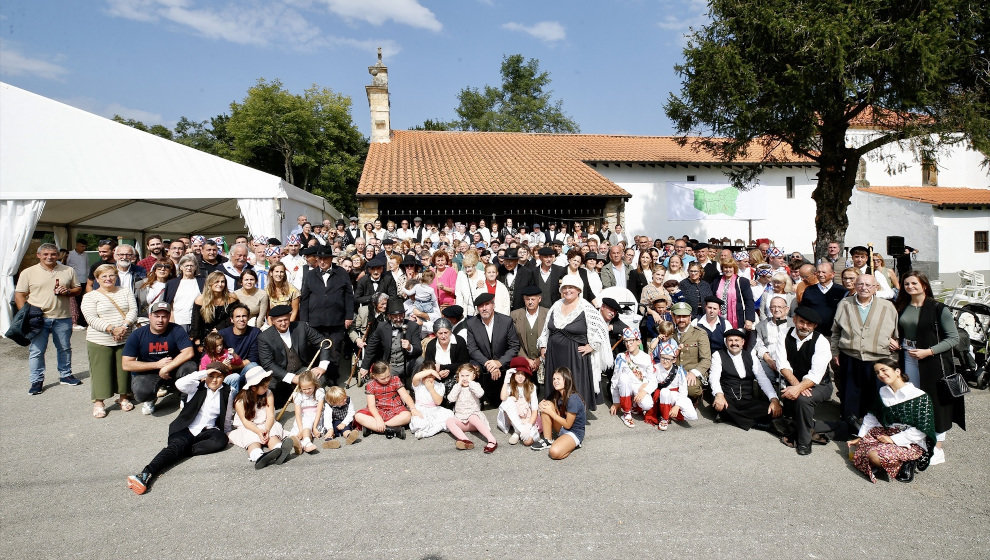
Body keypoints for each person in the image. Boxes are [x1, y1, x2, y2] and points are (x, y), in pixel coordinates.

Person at [891, 271, 963, 466]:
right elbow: (901, 330)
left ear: (924, 285)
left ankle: (938, 448)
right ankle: (920, 439)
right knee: (915, 400)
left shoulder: (939, 308)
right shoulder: (902, 306)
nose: (910, 287)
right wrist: (896, 341)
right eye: (906, 284)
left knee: (936, 404)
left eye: (914, 283)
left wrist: (929, 351)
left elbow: (953, 338)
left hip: (932, 362)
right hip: (908, 356)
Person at [126, 364, 234, 494]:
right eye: (211, 376)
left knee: (221, 439)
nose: (215, 380)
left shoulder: (229, 391)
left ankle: (180, 451)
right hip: (186, 428)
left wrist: (227, 431)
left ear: (224, 377)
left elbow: (227, 415)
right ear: (206, 376)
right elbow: (179, 383)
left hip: (207, 431)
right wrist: (203, 373)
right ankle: (145, 474)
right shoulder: (195, 387)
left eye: (219, 376)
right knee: (175, 447)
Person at [848, 358, 936, 483]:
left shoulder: (919, 396)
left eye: (884, 370)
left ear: (897, 371)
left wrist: (893, 440)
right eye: (877, 372)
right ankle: (889, 460)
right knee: (859, 449)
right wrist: (861, 436)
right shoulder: (883, 391)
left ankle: (907, 463)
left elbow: (922, 430)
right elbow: (872, 416)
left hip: (910, 441)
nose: (881, 375)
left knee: (873, 456)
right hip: (885, 433)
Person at [829, 273, 899, 431]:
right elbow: (836, 331)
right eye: (860, 284)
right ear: (855, 286)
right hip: (851, 356)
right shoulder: (845, 303)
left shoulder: (887, 307)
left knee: (877, 395)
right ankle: (851, 428)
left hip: (878, 358)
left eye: (868, 285)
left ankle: (877, 429)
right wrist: (835, 352)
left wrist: (893, 358)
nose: (864, 288)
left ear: (876, 288)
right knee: (851, 394)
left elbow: (895, 334)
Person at [15, 242, 83, 394]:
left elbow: (78, 289)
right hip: (38, 318)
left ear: (58, 255)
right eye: (45, 254)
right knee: (37, 351)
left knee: (64, 348)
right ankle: (36, 381)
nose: (49, 257)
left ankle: (65, 375)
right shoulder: (28, 272)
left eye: (53, 254)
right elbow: (19, 294)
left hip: (63, 317)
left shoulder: (68, 270)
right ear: (39, 255)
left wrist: (68, 291)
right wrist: (24, 314)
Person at [538, 274, 612, 410]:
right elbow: (545, 329)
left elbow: (601, 329)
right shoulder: (556, 305)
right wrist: (543, 345)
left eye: (571, 287)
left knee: (573, 387)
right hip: (554, 355)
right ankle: (555, 416)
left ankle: (573, 419)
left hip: (575, 357)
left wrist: (592, 346)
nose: (567, 290)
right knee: (556, 386)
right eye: (564, 287)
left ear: (579, 289)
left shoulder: (586, 307)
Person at [81, 263, 138, 418]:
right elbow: (91, 318)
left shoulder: (125, 291)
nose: (108, 278)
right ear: (97, 279)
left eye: (111, 275)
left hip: (125, 336)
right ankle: (99, 402)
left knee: (123, 370)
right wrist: (112, 328)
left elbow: (133, 310)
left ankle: (123, 397)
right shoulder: (90, 296)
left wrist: (124, 326)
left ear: (116, 277)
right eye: (104, 276)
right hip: (100, 339)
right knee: (101, 371)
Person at [775, 306, 834, 456]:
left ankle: (804, 442)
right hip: (796, 382)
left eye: (809, 324)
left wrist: (798, 389)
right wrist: (796, 386)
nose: (804, 327)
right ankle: (838, 428)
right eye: (801, 322)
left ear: (814, 326)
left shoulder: (821, 342)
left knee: (803, 400)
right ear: (794, 319)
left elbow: (816, 375)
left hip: (821, 384)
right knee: (792, 408)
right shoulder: (783, 333)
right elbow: (782, 364)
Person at [122, 302, 197, 414]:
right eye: (157, 316)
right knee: (141, 391)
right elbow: (126, 364)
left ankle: (185, 398)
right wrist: (157, 365)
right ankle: (150, 398)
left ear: (169, 317)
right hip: (149, 372)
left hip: (173, 369)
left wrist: (166, 368)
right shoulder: (137, 334)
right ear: (150, 316)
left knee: (190, 367)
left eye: (164, 316)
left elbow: (188, 352)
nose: (160, 320)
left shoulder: (176, 330)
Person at [299, 245, 355, 385]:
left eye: (325, 259)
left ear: (331, 259)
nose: (322, 262)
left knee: (335, 350)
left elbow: (349, 296)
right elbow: (304, 298)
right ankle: (319, 379)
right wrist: (304, 320)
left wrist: (349, 316)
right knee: (318, 350)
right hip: (315, 321)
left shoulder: (341, 272)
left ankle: (332, 378)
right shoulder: (311, 275)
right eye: (319, 259)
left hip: (336, 320)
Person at [257, 305, 332, 408]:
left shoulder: (302, 327)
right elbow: (267, 364)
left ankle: (315, 406)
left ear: (290, 317)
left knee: (319, 378)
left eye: (286, 320)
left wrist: (322, 366)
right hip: (278, 375)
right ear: (272, 320)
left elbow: (324, 343)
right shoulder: (264, 337)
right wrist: (292, 378)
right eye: (279, 321)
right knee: (270, 393)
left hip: (301, 369)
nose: (283, 323)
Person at [710, 329, 783, 430]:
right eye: (730, 340)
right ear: (726, 342)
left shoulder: (751, 356)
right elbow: (714, 378)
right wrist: (719, 395)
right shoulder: (718, 355)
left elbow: (763, 379)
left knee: (771, 409)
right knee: (722, 406)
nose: (734, 343)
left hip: (747, 401)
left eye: (737, 340)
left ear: (742, 342)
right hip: (727, 399)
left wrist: (774, 399)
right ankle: (764, 425)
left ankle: (732, 417)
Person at [228, 365, 295, 468]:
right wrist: (258, 432)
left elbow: (270, 416)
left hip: (266, 422)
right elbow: (245, 422)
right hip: (249, 426)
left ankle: (279, 449)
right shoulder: (240, 401)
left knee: (273, 432)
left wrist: (266, 430)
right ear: (254, 388)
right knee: (250, 437)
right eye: (264, 387)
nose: (266, 388)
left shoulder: (268, 394)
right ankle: (258, 455)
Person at [463, 292, 521, 408]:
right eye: (480, 306)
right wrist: (489, 364)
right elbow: (472, 349)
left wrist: (499, 363)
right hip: (482, 363)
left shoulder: (506, 321)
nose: (484, 308)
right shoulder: (471, 323)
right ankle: (477, 404)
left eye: (487, 304)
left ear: (493, 305)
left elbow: (514, 346)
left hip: (503, 362)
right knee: (472, 368)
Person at [358, 297, 423, 386]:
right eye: (395, 316)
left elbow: (418, 349)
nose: (399, 318)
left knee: (420, 360)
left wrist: (409, 347)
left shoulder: (412, 326)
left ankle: (414, 385)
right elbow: (371, 347)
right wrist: (364, 367)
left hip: (407, 363)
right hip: (390, 365)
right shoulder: (382, 327)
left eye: (401, 315)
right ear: (389, 316)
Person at [532, 367, 586, 459]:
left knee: (554, 452)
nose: (555, 381)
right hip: (563, 427)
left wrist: (551, 412)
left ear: (567, 380)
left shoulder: (573, 399)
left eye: (558, 379)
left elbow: (568, 425)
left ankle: (572, 445)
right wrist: (542, 404)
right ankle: (548, 440)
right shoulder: (558, 393)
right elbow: (546, 404)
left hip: (574, 433)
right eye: (554, 379)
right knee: (547, 405)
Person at [353, 361, 416, 439]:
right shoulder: (371, 385)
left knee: (407, 416)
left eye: (388, 376)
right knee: (358, 416)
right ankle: (393, 429)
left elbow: (405, 396)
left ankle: (375, 429)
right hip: (379, 410)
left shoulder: (395, 380)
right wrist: (378, 419)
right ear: (375, 376)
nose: (386, 379)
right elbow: (371, 406)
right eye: (383, 378)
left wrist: (413, 408)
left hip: (395, 408)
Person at [610, 328, 658, 428]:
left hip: (639, 387)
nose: (628, 344)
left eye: (631, 340)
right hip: (624, 387)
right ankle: (627, 412)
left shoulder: (647, 357)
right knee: (623, 377)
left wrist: (644, 391)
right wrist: (616, 402)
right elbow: (615, 379)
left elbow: (653, 380)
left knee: (648, 405)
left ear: (638, 341)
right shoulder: (621, 357)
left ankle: (635, 405)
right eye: (626, 341)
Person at [445, 364, 498, 452]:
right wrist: (458, 385)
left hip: (473, 422)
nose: (465, 378)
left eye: (467, 375)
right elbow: (451, 398)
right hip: (461, 419)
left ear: (473, 376)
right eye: (462, 376)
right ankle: (466, 441)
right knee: (449, 421)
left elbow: (480, 394)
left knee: (473, 417)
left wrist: (471, 383)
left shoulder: (475, 385)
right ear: (458, 376)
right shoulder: (457, 387)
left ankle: (492, 440)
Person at [670, 301, 712, 407]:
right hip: (674, 372)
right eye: (678, 316)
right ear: (673, 317)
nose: (681, 320)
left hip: (692, 372)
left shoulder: (700, 333)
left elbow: (706, 359)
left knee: (692, 389)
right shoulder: (670, 333)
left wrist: (694, 373)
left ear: (690, 317)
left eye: (684, 316)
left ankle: (694, 397)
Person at [511, 285, 549, 394]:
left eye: (533, 299)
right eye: (527, 299)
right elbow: (514, 340)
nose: (530, 302)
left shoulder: (548, 314)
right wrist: (526, 359)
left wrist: (539, 359)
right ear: (524, 299)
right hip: (524, 358)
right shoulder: (515, 315)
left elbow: (551, 339)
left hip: (543, 358)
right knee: (526, 391)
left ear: (539, 299)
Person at [423, 317, 470, 403]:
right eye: (440, 333)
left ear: (450, 331)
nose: (443, 336)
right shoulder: (431, 345)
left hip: (456, 375)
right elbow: (428, 365)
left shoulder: (459, 341)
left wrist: (442, 367)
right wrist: (437, 373)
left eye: (446, 332)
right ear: (436, 334)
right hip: (437, 376)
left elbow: (464, 364)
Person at [190, 271, 239, 351]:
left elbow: (233, 317)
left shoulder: (231, 298)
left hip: (226, 332)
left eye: (222, 282)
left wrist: (220, 329)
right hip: (206, 334)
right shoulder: (200, 300)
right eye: (216, 281)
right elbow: (196, 323)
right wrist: (198, 341)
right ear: (210, 283)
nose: (220, 284)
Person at [497, 357, 541, 446]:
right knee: (507, 400)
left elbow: (535, 410)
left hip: (528, 417)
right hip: (515, 418)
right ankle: (517, 431)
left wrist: (528, 426)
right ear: (513, 375)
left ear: (526, 375)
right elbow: (502, 398)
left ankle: (522, 430)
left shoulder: (531, 387)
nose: (520, 376)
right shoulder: (510, 386)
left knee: (527, 441)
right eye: (517, 374)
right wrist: (506, 379)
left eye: (522, 374)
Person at [754, 295, 793, 386]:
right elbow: (759, 345)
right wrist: (769, 360)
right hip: (769, 360)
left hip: (790, 360)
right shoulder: (761, 325)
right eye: (773, 307)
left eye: (779, 307)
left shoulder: (794, 324)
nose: (776, 309)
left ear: (787, 309)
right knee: (761, 373)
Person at [408, 364, 455, 439]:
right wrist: (430, 371)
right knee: (419, 424)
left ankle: (429, 432)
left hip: (434, 409)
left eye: (430, 376)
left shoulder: (439, 385)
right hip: (421, 409)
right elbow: (416, 376)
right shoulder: (418, 383)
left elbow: (438, 402)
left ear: (434, 376)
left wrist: (431, 389)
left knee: (450, 415)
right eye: (425, 375)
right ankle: (436, 428)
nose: (427, 378)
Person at [799, 263, 846, 336]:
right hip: (813, 333)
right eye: (818, 272)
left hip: (834, 333)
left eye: (824, 272)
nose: (820, 275)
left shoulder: (841, 291)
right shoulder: (809, 290)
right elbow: (803, 310)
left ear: (832, 274)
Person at [286, 370, 324, 454]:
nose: (307, 391)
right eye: (304, 389)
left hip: (315, 417)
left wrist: (314, 427)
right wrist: (300, 429)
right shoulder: (298, 395)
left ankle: (305, 442)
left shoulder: (319, 392)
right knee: (303, 427)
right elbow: (298, 414)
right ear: (300, 387)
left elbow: (319, 410)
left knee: (308, 423)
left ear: (314, 384)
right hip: (303, 417)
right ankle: (305, 443)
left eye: (309, 388)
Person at [164, 254, 204, 334]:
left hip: (198, 322)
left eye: (191, 265)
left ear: (195, 267)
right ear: (181, 267)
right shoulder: (172, 283)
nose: (189, 268)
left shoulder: (203, 282)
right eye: (186, 265)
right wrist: (171, 320)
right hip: (178, 321)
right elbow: (169, 303)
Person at [711, 259, 755, 331]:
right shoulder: (716, 281)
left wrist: (749, 320)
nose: (728, 270)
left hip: (738, 319)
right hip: (719, 318)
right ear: (722, 269)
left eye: (730, 267)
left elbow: (749, 301)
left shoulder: (742, 281)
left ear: (734, 268)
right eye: (725, 267)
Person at [219, 303, 260, 372]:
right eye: (237, 316)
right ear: (232, 319)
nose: (241, 319)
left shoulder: (255, 333)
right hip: (225, 371)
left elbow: (253, 359)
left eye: (244, 316)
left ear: (248, 318)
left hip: (245, 370)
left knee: (253, 366)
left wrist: (232, 367)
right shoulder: (222, 334)